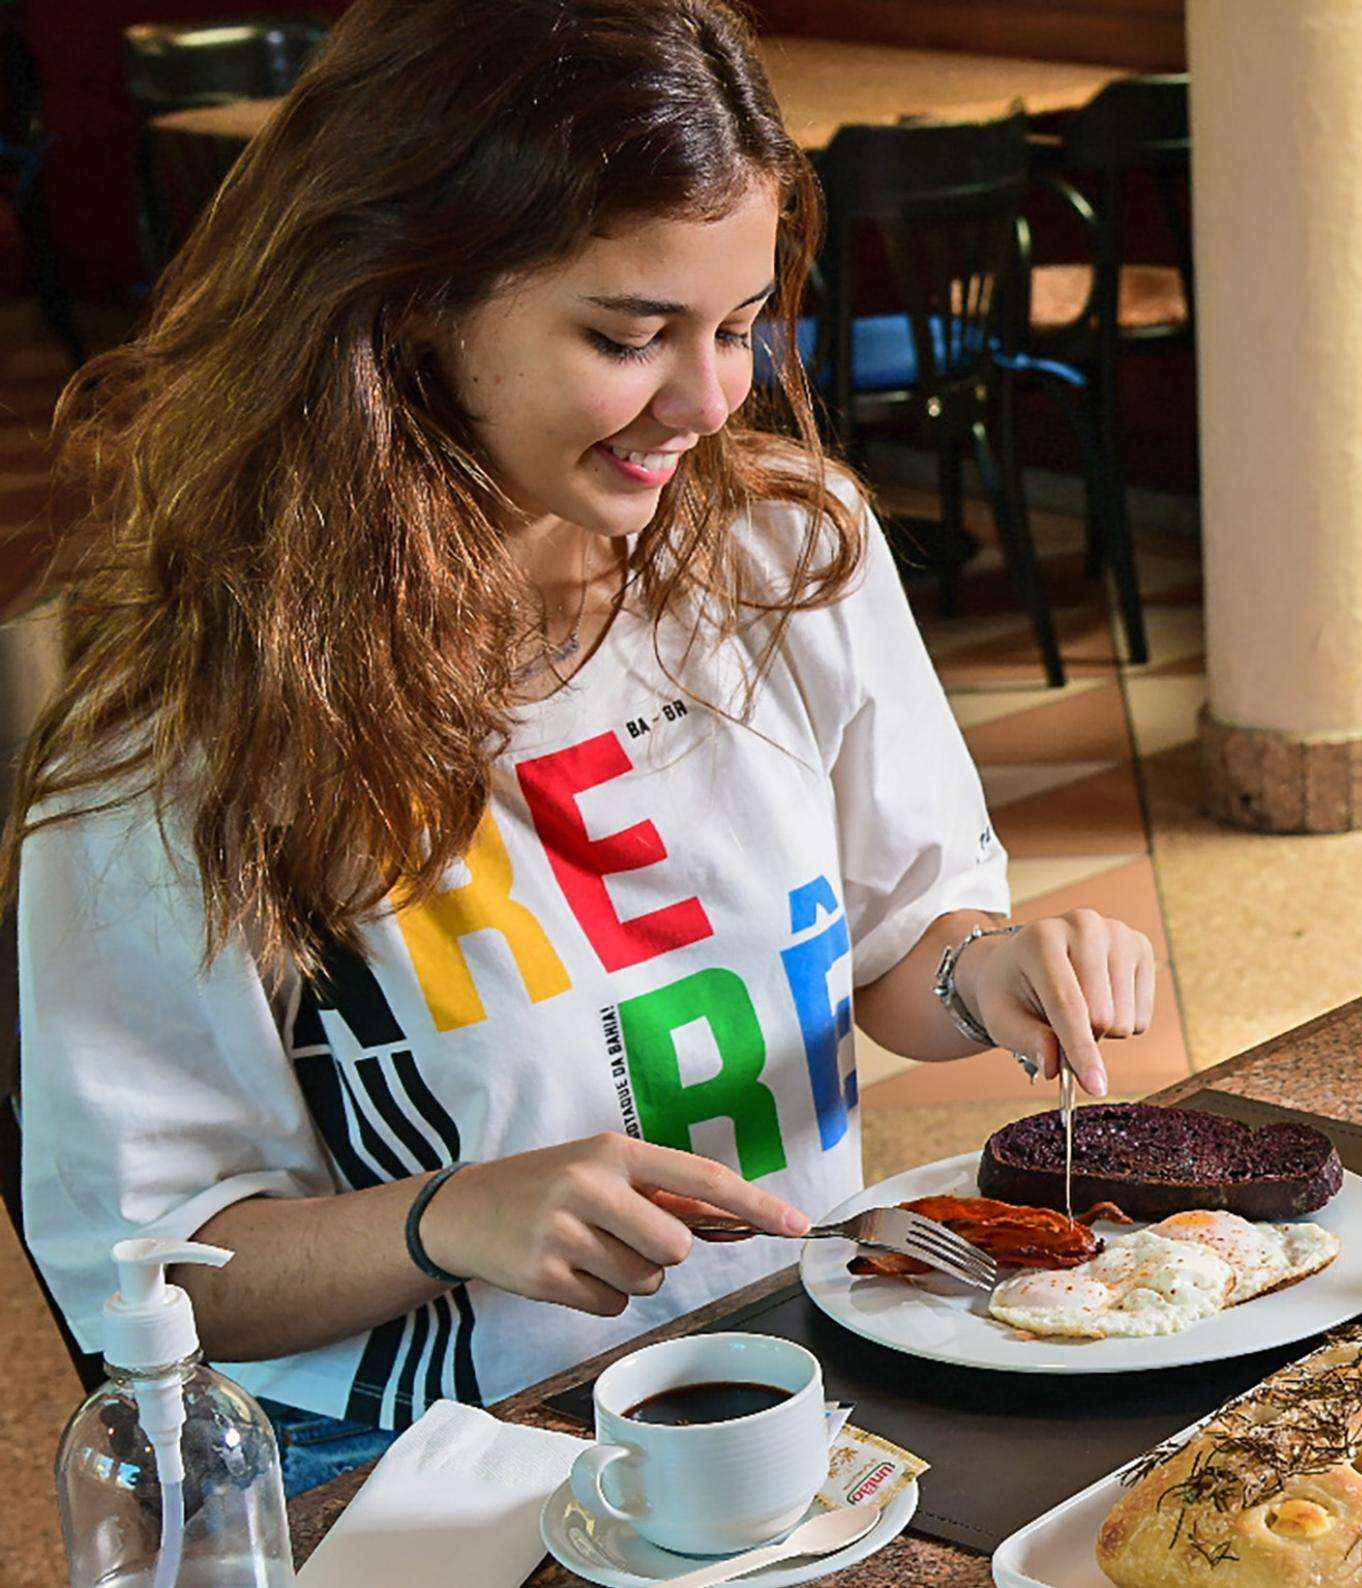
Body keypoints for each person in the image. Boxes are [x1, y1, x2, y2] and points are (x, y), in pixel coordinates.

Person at [7, 0, 1156, 1494]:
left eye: (739, 327)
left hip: (770, 1366)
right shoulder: (190, 722)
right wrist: (446, 1219)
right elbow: (151, 1280)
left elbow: (900, 948)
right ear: (407, 298)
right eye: (627, 336)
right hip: (408, 1454)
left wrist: (982, 973)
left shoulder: (787, 549)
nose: (709, 402)